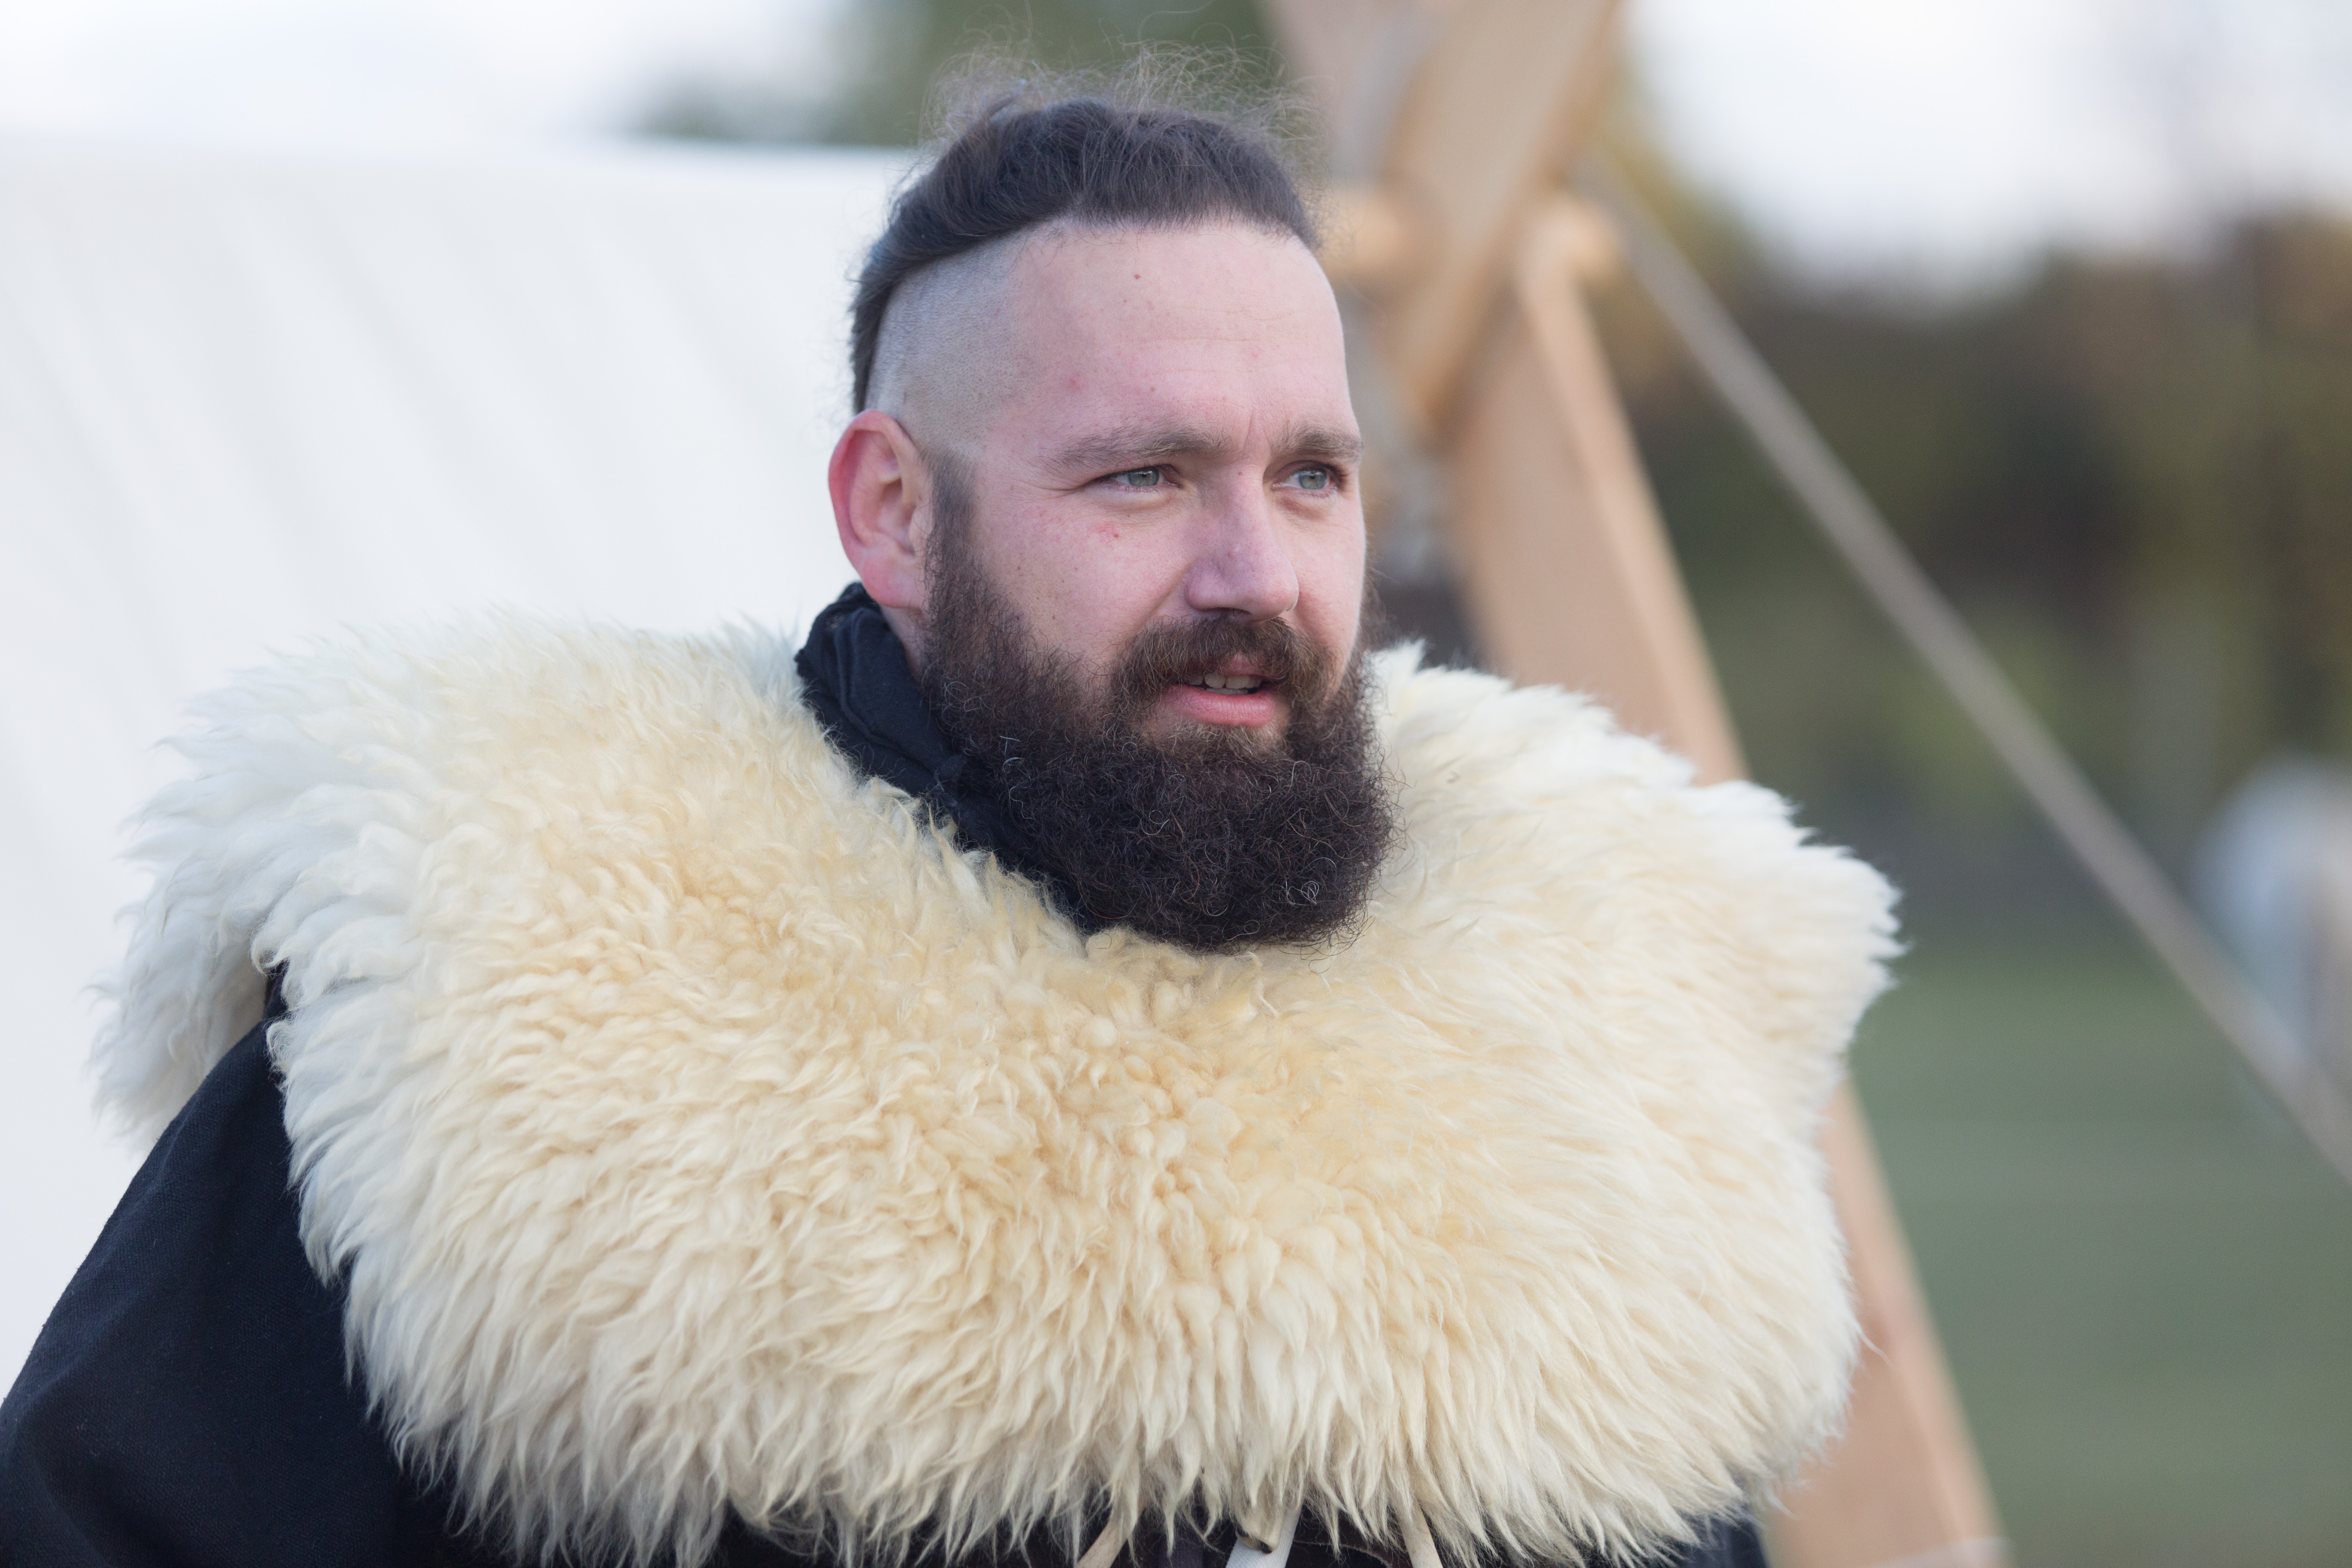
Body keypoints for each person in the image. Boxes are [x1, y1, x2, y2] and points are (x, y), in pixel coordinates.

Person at [0, 87, 1895, 1568]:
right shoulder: (497, 983)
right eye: (1143, 476)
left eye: (1312, 476)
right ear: (894, 512)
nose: (1256, 572)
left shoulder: (1575, 1022)